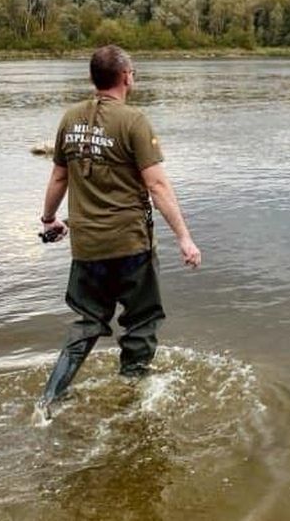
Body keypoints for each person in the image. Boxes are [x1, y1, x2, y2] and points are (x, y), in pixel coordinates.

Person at [36, 44, 202, 415]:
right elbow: (157, 186)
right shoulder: (133, 121)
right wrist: (184, 238)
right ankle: (132, 401)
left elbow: (59, 177)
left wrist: (48, 219)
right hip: (131, 245)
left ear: (93, 78)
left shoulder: (70, 118)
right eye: (133, 72)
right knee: (142, 322)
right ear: (126, 77)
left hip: (87, 247)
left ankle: (49, 398)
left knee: (87, 322)